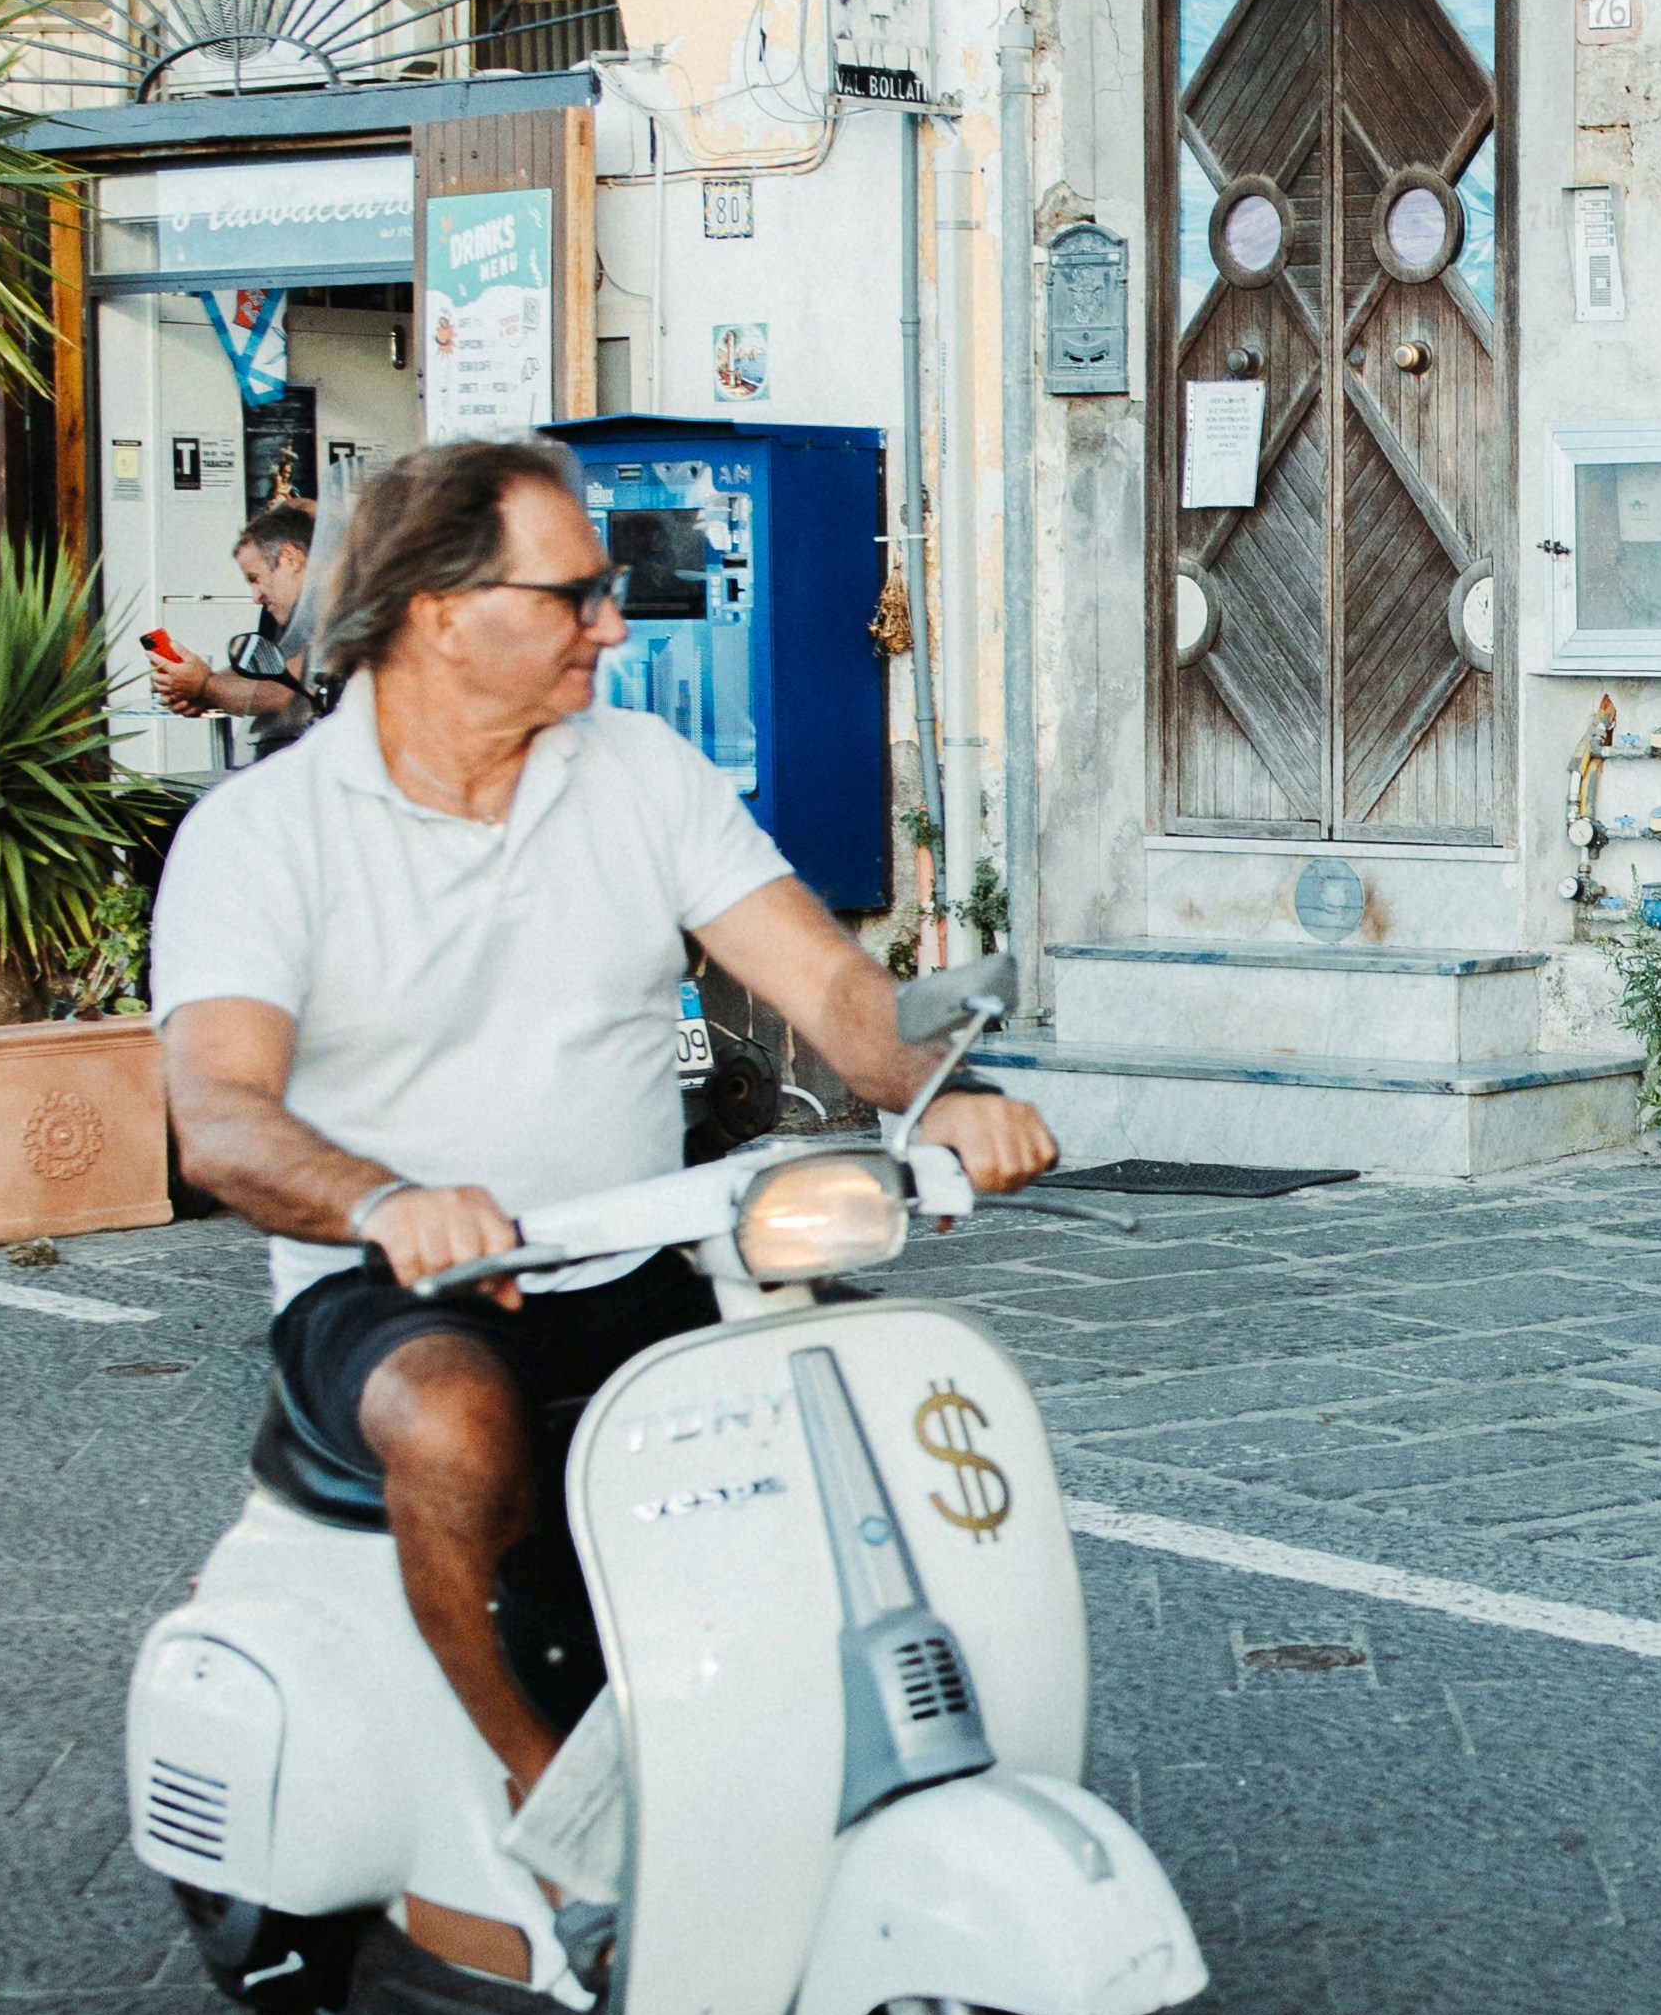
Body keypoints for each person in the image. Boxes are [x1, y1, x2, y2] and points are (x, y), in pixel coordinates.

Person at [151, 438, 1057, 1842]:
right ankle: (538, 1795)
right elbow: (218, 1112)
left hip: (638, 1249)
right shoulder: (262, 833)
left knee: (848, 1413)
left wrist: (943, 1086)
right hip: (394, 1282)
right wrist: (384, 1200)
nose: (615, 623)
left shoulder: (641, 770)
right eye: (576, 592)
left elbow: (828, 985)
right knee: (455, 1424)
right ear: (442, 611)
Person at [150, 491, 320, 757]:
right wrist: (195, 683)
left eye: (255, 578)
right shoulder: (285, 610)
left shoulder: (322, 604)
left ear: (290, 558)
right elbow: (260, 672)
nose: (255, 597)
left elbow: (279, 695)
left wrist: (204, 685)